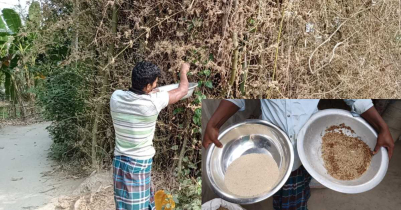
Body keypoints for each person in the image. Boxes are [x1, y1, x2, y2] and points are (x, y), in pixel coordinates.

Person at [202, 99, 394, 210]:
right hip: (272, 149)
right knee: (281, 197)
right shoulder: (264, 52)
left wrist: (381, 126)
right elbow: (238, 93)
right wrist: (214, 123)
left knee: (296, 197)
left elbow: (356, 97)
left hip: (307, 149)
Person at [110, 61, 190, 210]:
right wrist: (183, 72)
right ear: (147, 86)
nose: (156, 87)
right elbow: (182, 90)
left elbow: (134, 94)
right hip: (138, 164)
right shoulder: (152, 104)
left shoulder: (115, 97)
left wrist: (150, 91)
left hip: (119, 161)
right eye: (155, 84)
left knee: (124, 204)